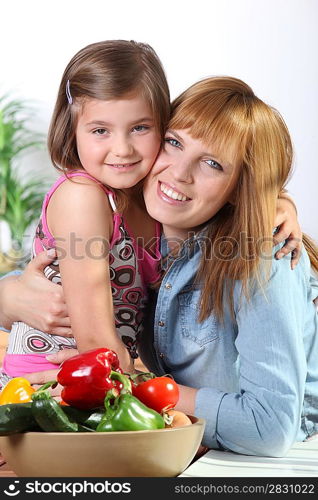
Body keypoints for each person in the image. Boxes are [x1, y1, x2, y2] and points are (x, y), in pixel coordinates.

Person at [6, 75, 317, 459]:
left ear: (241, 187)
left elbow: (267, 428)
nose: (178, 173)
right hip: (184, 444)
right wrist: (8, 297)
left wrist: (121, 384)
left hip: (271, 459)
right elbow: (45, 275)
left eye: (212, 164)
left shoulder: (264, 255)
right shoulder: (139, 224)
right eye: (174, 142)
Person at [0, 39, 170, 385]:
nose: (122, 149)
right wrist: (142, 383)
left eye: (140, 127)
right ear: (72, 130)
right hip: (48, 380)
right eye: (100, 131)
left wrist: (279, 203)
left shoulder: (156, 198)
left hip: (105, 374)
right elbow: (95, 339)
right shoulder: (82, 196)